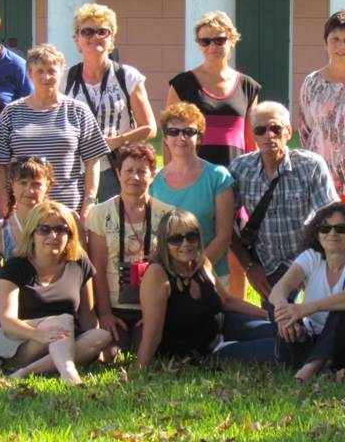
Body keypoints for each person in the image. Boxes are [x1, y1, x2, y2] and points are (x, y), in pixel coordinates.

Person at [0, 200, 111, 385]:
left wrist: (95, 352)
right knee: (63, 320)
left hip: (60, 338)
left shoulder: (79, 262)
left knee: (101, 336)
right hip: (16, 341)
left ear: (70, 234)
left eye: (61, 229)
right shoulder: (16, 266)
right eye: (44, 229)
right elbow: (7, 322)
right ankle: (68, 372)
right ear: (32, 234)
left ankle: (25, 372)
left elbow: (87, 316)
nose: (53, 235)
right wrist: (41, 335)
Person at [135, 210, 275, 368]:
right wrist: (138, 371)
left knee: (285, 333)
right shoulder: (157, 274)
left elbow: (227, 301)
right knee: (280, 349)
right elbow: (153, 335)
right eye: (176, 239)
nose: (185, 243)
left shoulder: (202, 262)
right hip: (205, 352)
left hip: (223, 326)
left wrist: (270, 316)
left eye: (191, 236)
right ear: (163, 243)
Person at [229, 102, 339, 292]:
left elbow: (332, 217)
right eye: (260, 130)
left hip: (308, 259)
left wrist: (322, 261)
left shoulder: (310, 166)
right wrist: (249, 267)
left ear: (288, 132)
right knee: (277, 320)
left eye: (275, 129)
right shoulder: (241, 169)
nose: (268, 135)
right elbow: (224, 222)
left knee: (321, 319)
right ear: (253, 135)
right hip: (267, 264)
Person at [0, 44, 110, 218]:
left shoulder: (78, 111)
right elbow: (1, 166)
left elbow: (92, 161)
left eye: (51, 71)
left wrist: (89, 203)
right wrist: (5, 205)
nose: (46, 77)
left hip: (68, 210)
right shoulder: (11, 113)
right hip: (24, 211)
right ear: (30, 73)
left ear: (61, 72)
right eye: (39, 71)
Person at [267, 202, 345, 380]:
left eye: (340, 228)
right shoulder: (312, 257)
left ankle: (309, 370)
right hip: (312, 339)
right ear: (317, 234)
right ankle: (313, 362)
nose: (332, 233)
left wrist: (308, 308)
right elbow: (278, 290)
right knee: (275, 305)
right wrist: (283, 314)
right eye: (325, 228)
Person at [86, 144, 176, 353]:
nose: (134, 177)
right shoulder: (100, 214)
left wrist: (156, 311)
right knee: (112, 353)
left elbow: (171, 268)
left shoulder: (167, 215)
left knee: (149, 349)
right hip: (113, 305)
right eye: (128, 171)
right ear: (118, 174)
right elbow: (96, 267)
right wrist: (105, 313)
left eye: (141, 171)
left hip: (150, 306)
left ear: (153, 175)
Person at [64, 3, 157, 202]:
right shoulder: (66, 79)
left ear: (112, 38)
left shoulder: (127, 76)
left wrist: (117, 141)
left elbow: (150, 128)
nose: (94, 37)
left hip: (115, 166)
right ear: (77, 38)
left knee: (114, 225)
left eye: (102, 32)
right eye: (87, 31)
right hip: (75, 168)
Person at [152, 103, 235, 282]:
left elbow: (224, 235)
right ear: (165, 138)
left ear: (199, 138)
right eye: (173, 132)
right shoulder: (154, 181)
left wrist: (194, 271)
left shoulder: (218, 177)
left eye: (189, 132)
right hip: (166, 278)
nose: (181, 137)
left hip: (211, 275)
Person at [0, 156, 56, 338]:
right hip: (12, 308)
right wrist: (13, 302)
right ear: (12, 184)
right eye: (23, 183)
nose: (29, 190)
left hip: (55, 304)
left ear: (47, 185)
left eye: (36, 184)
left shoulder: (63, 223)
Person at [166, 11, 260, 167]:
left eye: (219, 40)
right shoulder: (181, 84)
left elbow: (251, 140)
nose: (212, 46)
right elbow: (169, 136)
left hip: (235, 173)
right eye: (205, 41)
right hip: (193, 174)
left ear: (232, 41)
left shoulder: (248, 86)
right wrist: (169, 175)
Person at [298, 10, 345, 200]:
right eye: (335, 39)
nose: (340, 46)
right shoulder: (312, 82)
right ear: (325, 43)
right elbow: (306, 130)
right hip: (319, 178)